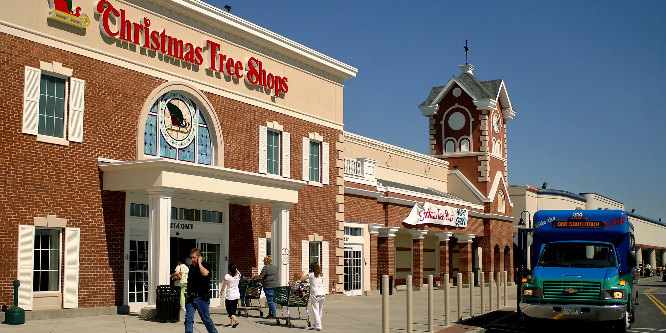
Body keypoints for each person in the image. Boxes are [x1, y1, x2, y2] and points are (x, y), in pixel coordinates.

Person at [184, 248, 218, 333]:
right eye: (191, 257)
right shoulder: (191, 267)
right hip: (191, 297)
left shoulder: (206, 265)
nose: (192, 259)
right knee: (188, 319)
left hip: (202, 298)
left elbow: (205, 273)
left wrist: (199, 263)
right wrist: (187, 295)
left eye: (194, 257)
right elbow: (190, 281)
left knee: (206, 319)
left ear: (199, 257)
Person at [298, 262, 325, 331]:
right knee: (320, 310)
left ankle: (318, 325)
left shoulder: (310, 274)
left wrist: (302, 273)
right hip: (322, 293)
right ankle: (317, 324)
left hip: (315, 294)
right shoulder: (321, 274)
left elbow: (301, 278)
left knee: (315, 309)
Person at [221, 263, 241, 328]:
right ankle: (232, 323)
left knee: (229, 309)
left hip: (230, 295)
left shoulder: (227, 276)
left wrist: (221, 291)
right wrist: (235, 269)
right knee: (233, 308)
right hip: (237, 294)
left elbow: (224, 285)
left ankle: (234, 318)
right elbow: (238, 271)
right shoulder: (238, 275)